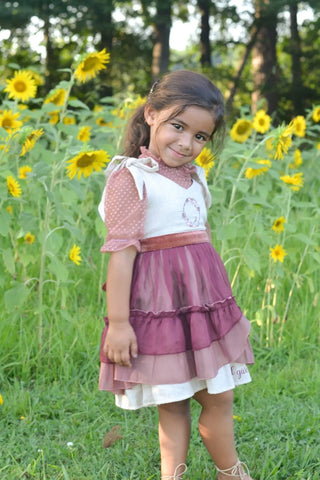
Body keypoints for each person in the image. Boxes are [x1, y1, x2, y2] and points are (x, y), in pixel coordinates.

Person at [98, 70, 255, 480]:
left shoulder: (194, 177)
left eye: (200, 137)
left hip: (203, 309)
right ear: (151, 115)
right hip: (161, 310)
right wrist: (118, 323)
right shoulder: (131, 177)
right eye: (178, 126)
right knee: (174, 402)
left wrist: (225, 311)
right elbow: (122, 254)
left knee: (220, 396)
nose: (187, 143)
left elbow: (198, 253)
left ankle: (231, 473)